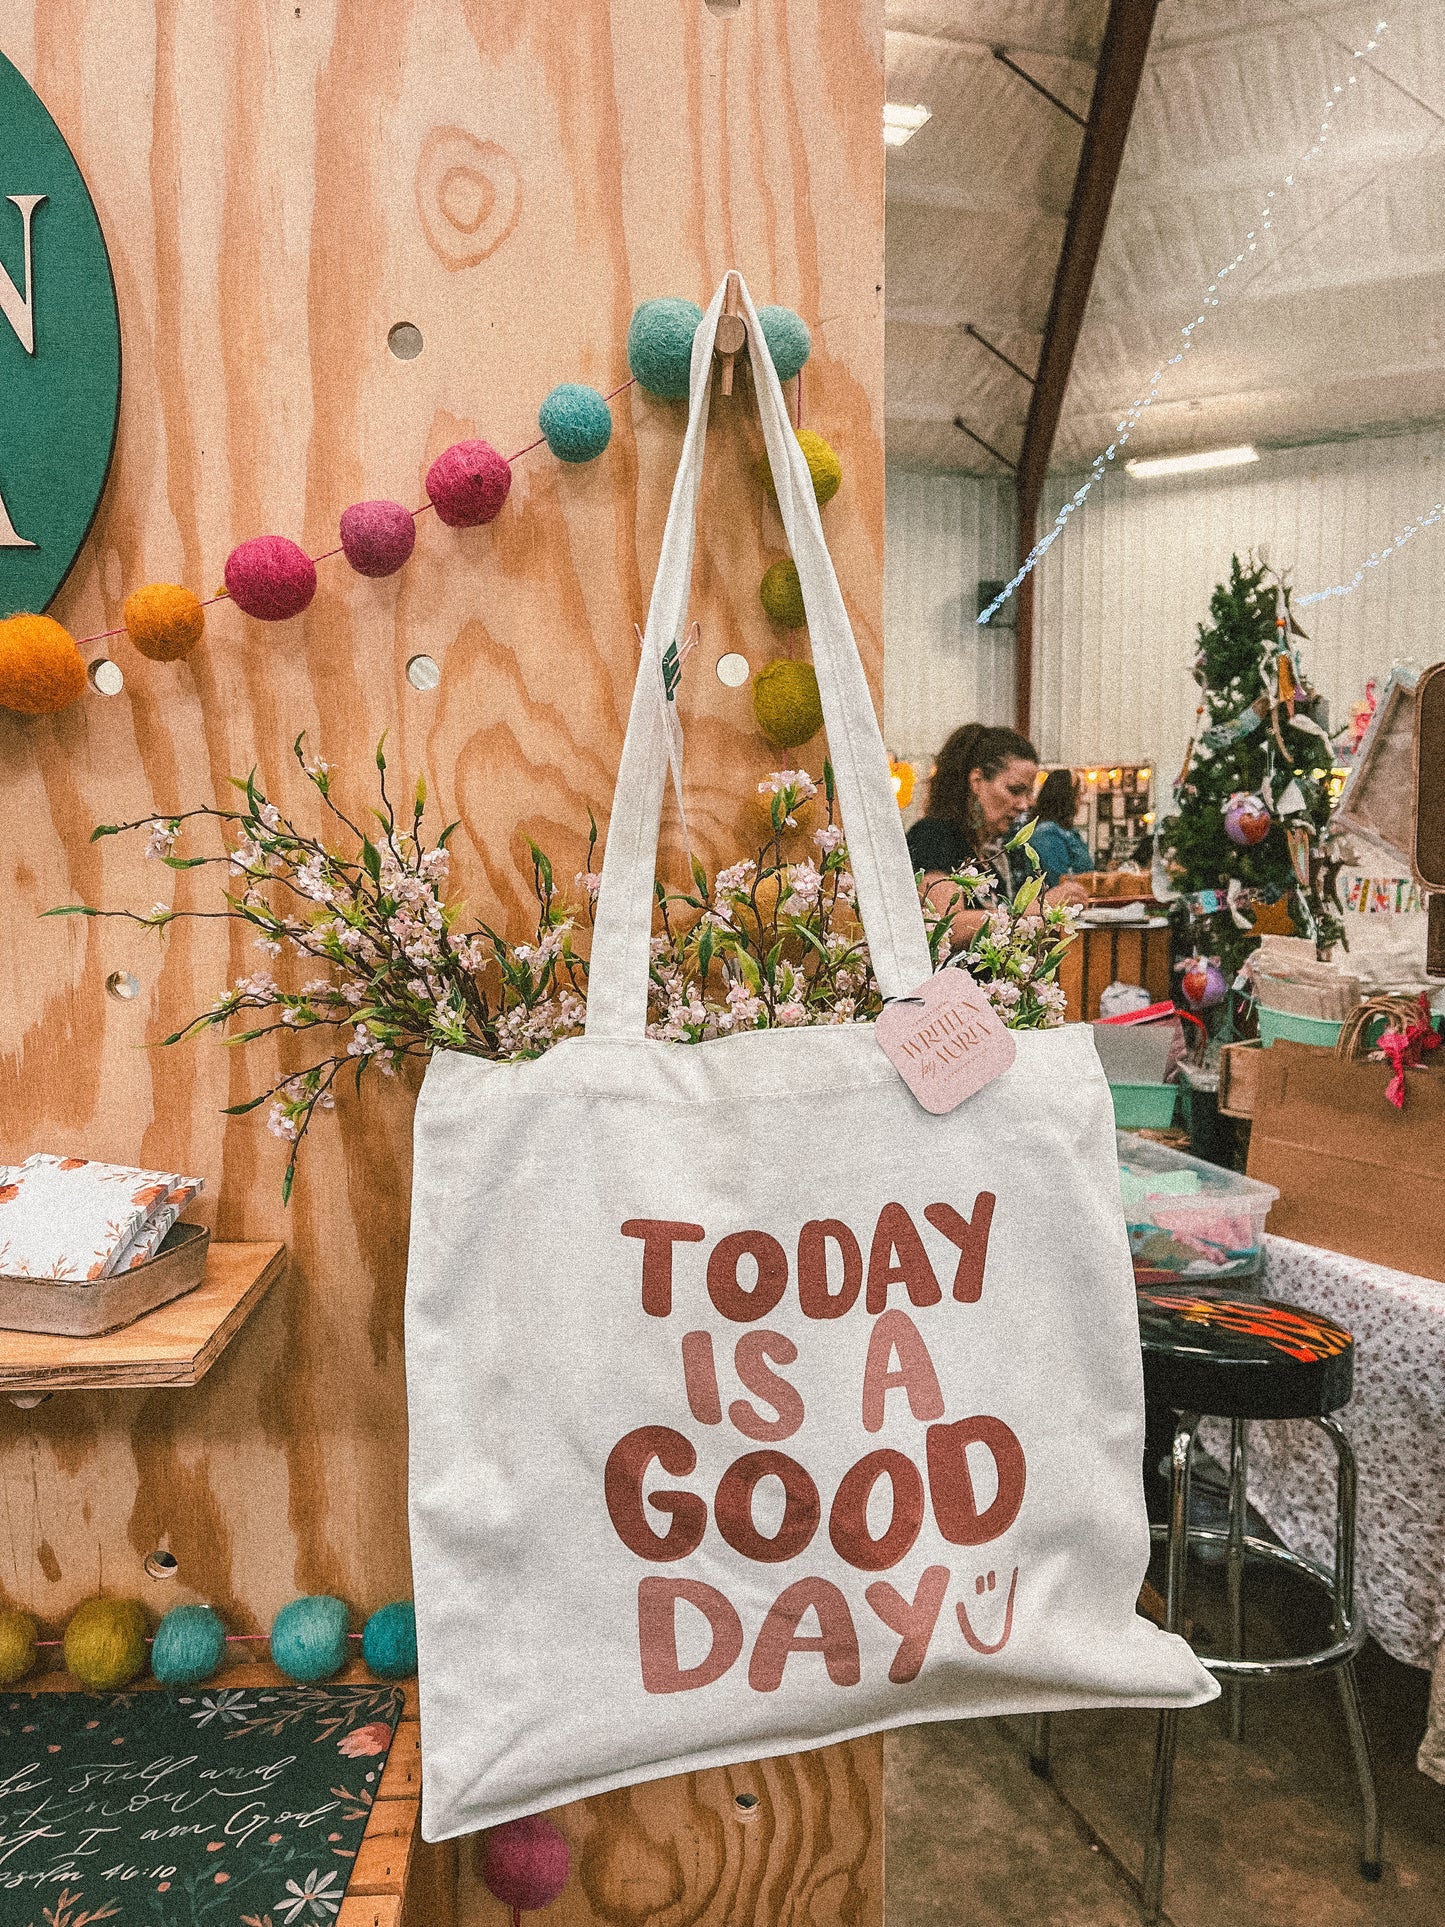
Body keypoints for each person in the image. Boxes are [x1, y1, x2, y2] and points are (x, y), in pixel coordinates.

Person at [906, 724, 1088, 945]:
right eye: (1015, 790)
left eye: (1029, 793)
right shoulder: (933, 836)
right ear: (977, 782)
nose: (1025, 804)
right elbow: (945, 927)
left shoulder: (987, 855)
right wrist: (1038, 909)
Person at [1030, 768, 1094, 890]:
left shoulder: (1067, 831)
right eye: (1078, 796)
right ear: (1066, 797)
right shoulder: (1047, 833)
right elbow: (1057, 881)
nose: (1080, 801)